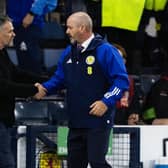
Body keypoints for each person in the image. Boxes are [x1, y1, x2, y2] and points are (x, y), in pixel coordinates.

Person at [34, 11, 129, 168]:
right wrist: (44, 89)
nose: (67, 32)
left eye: (70, 28)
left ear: (83, 28)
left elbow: (121, 81)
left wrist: (106, 102)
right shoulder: (68, 52)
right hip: (76, 120)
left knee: (97, 162)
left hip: (97, 120)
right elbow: (60, 79)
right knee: (74, 164)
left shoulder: (105, 50)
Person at [0, 15, 47, 168]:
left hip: (5, 120)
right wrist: (33, 90)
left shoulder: (2, 52)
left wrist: (47, 80)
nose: (13, 34)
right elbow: (4, 87)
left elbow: (17, 73)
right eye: (9, 31)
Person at [6, 0, 57, 73]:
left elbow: (51, 2)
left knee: (31, 66)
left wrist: (32, 13)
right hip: (16, 24)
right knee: (23, 64)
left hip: (29, 23)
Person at [113, 43, 140, 125]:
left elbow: (134, 104)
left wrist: (133, 115)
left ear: (124, 61)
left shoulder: (129, 81)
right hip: (100, 129)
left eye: (120, 58)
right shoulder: (97, 79)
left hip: (123, 128)